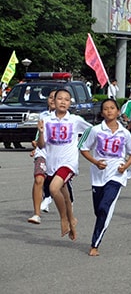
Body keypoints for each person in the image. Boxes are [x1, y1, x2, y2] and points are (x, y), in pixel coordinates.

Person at [79, 99, 131, 256]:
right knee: (99, 210)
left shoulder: (124, 133)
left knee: (105, 207)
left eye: (112, 108)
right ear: (102, 113)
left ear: (118, 112)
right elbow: (84, 149)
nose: (109, 111)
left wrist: (125, 166)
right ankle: (100, 224)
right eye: (105, 109)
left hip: (116, 175)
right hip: (98, 176)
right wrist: (95, 162)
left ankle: (94, 244)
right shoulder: (96, 130)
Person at [36, 89, 93, 240]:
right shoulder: (47, 120)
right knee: (65, 196)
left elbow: (90, 130)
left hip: (69, 162)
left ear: (70, 103)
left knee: (54, 188)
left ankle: (64, 219)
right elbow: (41, 145)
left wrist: (80, 145)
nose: (62, 102)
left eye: (66, 99)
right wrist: (41, 132)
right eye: (59, 99)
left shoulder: (74, 120)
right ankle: (72, 222)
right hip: (52, 163)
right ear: (53, 102)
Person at [27, 89, 56, 224]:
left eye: (55, 97)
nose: (52, 100)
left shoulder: (69, 119)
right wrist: (36, 146)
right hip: (42, 153)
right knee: (39, 179)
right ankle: (36, 214)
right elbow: (39, 136)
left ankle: (67, 210)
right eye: (50, 97)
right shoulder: (43, 116)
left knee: (59, 186)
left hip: (58, 155)